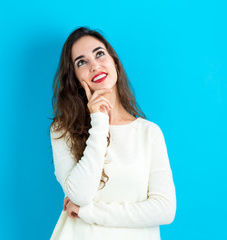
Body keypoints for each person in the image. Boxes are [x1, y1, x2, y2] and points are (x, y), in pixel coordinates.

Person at [49, 26, 176, 240]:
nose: (94, 66)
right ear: (74, 77)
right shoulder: (63, 129)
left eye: (99, 54)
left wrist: (88, 212)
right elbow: (81, 193)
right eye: (82, 62)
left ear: (114, 61)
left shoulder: (149, 133)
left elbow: (164, 209)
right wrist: (99, 121)